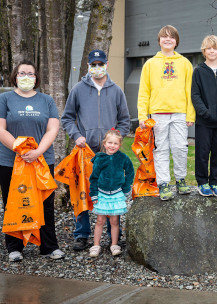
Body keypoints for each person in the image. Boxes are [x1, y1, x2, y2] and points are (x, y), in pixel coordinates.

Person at [0, 60, 64, 262]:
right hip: (9, 161)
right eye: (22, 73)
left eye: (30, 74)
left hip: (41, 160)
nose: (26, 77)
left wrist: (37, 151)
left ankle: (49, 247)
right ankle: (15, 247)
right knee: (12, 201)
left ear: (36, 78)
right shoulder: (4, 99)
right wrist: (21, 149)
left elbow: (53, 129)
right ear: (15, 76)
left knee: (45, 203)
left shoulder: (46, 101)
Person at [62, 49, 131, 251]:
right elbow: (67, 117)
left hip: (109, 153)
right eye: (94, 64)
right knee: (83, 191)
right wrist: (76, 135)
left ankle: (113, 236)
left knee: (110, 191)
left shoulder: (116, 90)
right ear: (88, 66)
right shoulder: (78, 89)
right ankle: (82, 234)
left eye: (101, 64)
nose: (97, 68)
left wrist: (115, 138)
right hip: (86, 151)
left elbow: (125, 120)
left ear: (106, 65)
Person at [137, 25, 195, 201]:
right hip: (158, 114)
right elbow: (144, 92)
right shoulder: (150, 64)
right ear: (159, 40)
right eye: (164, 37)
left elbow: (190, 91)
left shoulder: (185, 63)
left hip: (179, 113)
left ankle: (180, 180)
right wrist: (142, 115)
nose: (167, 39)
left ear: (176, 41)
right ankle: (163, 183)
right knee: (160, 149)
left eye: (171, 37)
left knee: (180, 148)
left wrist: (190, 114)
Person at [191, 35, 217, 197]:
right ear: (204, 51)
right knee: (202, 153)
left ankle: (215, 182)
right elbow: (195, 95)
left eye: (215, 48)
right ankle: (202, 182)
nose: (212, 51)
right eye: (209, 48)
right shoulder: (199, 72)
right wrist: (205, 113)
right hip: (204, 122)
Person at [88, 129, 134, 257]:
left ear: (119, 145)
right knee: (100, 220)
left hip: (116, 193)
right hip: (101, 193)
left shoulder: (123, 158)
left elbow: (130, 172)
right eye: (110, 143)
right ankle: (96, 245)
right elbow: (94, 178)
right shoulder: (100, 159)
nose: (112, 146)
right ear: (104, 143)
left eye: (115, 144)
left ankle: (114, 244)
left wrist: (125, 188)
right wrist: (94, 194)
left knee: (114, 221)